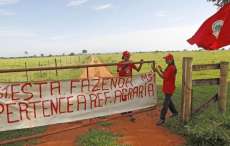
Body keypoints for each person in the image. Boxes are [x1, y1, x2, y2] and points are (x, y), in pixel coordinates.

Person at [117, 51, 144, 122]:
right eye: (127, 56)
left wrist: (141, 64)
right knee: (123, 96)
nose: (128, 57)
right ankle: (123, 110)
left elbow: (138, 70)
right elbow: (118, 70)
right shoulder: (120, 63)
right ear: (124, 56)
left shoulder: (131, 62)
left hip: (129, 82)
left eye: (129, 56)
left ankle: (129, 110)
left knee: (129, 96)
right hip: (122, 82)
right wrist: (125, 65)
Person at [152, 53, 178, 126]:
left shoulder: (171, 67)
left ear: (171, 60)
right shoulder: (170, 66)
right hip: (168, 87)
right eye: (165, 59)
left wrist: (157, 71)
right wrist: (161, 70)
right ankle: (175, 112)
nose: (165, 61)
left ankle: (162, 119)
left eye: (167, 59)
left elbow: (164, 77)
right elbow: (166, 74)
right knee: (169, 101)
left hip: (169, 88)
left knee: (165, 104)